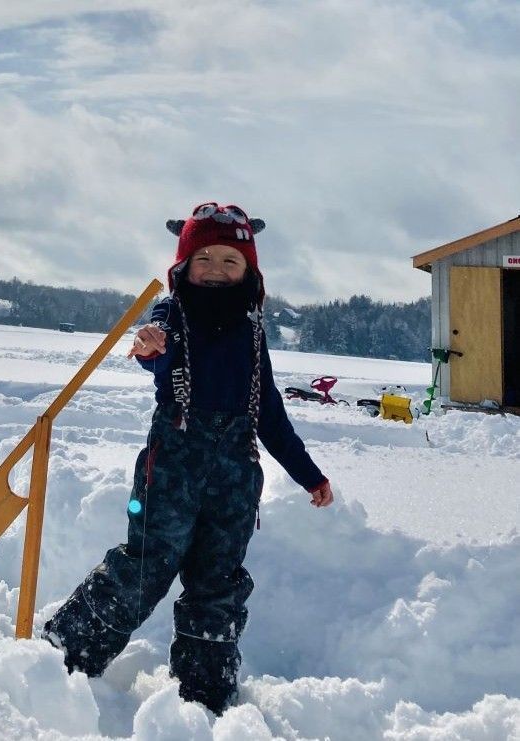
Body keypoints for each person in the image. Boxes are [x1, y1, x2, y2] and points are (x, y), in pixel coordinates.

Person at [42, 202, 334, 716]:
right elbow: (160, 350)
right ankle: (64, 653)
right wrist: (152, 347)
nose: (217, 271)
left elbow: (269, 412)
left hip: (236, 477)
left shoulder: (253, 329)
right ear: (183, 266)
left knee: (218, 581)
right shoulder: (171, 314)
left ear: (249, 270)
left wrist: (308, 474)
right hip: (172, 465)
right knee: (147, 566)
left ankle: (205, 694)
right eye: (205, 259)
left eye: (230, 261)